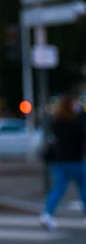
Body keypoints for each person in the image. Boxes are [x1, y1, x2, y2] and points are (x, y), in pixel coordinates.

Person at [39, 91, 86, 230]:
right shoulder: (77, 122)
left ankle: (47, 214)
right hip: (75, 160)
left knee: (58, 189)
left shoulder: (57, 121)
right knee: (83, 189)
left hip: (59, 160)